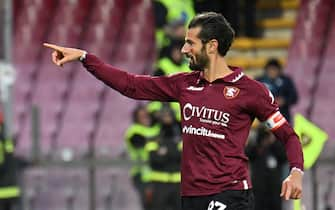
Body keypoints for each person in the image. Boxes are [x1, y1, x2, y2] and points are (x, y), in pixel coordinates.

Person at [44, 12, 303, 210]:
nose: (183, 49)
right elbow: (131, 86)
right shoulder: (184, 84)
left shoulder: (251, 91)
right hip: (190, 195)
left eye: (190, 43)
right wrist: (84, 58)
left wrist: (295, 172)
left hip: (230, 193)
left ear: (211, 46)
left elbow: (288, 136)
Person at [145, 107, 182, 210]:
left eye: (168, 116)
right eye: (164, 116)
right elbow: (154, 159)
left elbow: (182, 157)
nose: (167, 119)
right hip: (159, 185)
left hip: (178, 184)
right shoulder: (153, 137)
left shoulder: (182, 137)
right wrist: (174, 152)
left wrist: (164, 152)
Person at [125, 105, 160, 210]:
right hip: (142, 175)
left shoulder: (157, 128)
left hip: (158, 174)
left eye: (146, 115)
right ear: (137, 118)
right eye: (142, 116)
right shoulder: (134, 131)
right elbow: (140, 142)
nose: (146, 118)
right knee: (150, 205)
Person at [245, 125, 287, 210]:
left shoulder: (276, 145)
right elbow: (247, 153)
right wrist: (255, 140)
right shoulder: (257, 145)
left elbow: (284, 157)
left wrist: (273, 140)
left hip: (274, 189)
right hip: (258, 188)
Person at [257, 58, 299, 123]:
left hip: (283, 116)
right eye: (270, 69)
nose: (272, 72)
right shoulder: (260, 81)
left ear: (279, 70)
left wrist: (284, 100)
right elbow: (253, 97)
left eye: (274, 69)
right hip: (265, 117)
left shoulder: (286, 81)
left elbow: (294, 97)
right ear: (266, 70)